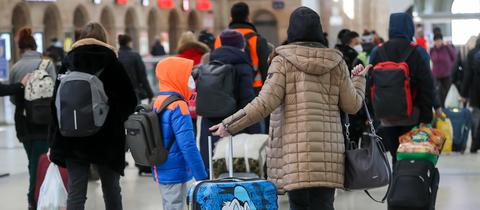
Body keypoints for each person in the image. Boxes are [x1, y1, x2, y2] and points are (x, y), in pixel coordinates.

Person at [210, 7, 368, 210]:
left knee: (299, 206)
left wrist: (229, 124)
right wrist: (359, 80)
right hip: (329, 157)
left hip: (295, 157)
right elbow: (353, 105)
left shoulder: (282, 61)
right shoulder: (336, 63)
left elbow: (263, 103)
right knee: (324, 205)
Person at [49, 22, 137, 210]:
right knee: (111, 188)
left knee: (76, 191)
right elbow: (129, 100)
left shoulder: (68, 62)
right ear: (104, 39)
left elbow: (54, 102)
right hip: (107, 138)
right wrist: (112, 117)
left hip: (72, 136)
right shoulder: (112, 62)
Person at [368, 13, 435, 164]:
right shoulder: (418, 51)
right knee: (410, 157)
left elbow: (369, 83)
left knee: (395, 155)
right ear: (409, 27)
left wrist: (371, 114)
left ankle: (397, 183)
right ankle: (408, 184)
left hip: (385, 115)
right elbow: (427, 85)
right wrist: (426, 117)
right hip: (412, 115)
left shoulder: (377, 51)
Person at [199, 29, 261, 172]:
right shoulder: (243, 64)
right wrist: (255, 130)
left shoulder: (209, 62)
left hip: (209, 123)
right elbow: (247, 99)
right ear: (241, 45)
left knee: (212, 164)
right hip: (235, 122)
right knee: (235, 168)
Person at [9, 27, 56, 210]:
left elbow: (14, 98)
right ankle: (35, 197)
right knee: (41, 160)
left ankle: (35, 196)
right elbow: (55, 93)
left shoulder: (15, 68)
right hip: (44, 122)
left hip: (24, 122)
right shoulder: (48, 65)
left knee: (32, 160)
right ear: (35, 45)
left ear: (20, 47)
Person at [152, 57, 207, 210]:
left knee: (169, 204)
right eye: (186, 75)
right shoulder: (179, 106)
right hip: (174, 168)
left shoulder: (160, 100)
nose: (190, 80)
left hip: (162, 164)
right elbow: (188, 145)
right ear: (176, 77)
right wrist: (202, 176)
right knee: (174, 206)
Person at [214, 2, 270, 95]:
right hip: (254, 89)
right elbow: (265, 69)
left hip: (226, 90)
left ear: (231, 18)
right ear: (248, 17)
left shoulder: (219, 39)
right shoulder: (257, 40)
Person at [118, 34, 154, 102]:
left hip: (119, 94)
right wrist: (150, 94)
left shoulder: (115, 56)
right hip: (134, 93)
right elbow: (143, 77)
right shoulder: (135, 56)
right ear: (129, 43)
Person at [460, 36, 480, 153]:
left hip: (475, 90)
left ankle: (474, 143)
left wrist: (463, 94)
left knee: (476, 116)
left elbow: (467, 75)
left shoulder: (472, 53)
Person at [430, 33, 456, 105]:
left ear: (442, 40)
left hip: (446, 75)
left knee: (447, 93)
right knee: (437, 93)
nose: (437, 42)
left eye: (439, 40)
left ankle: (448, 107)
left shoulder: (447, 48)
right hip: (436, 75)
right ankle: (440, 107)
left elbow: (454, 58)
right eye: (436, 41)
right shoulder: (432, 50)